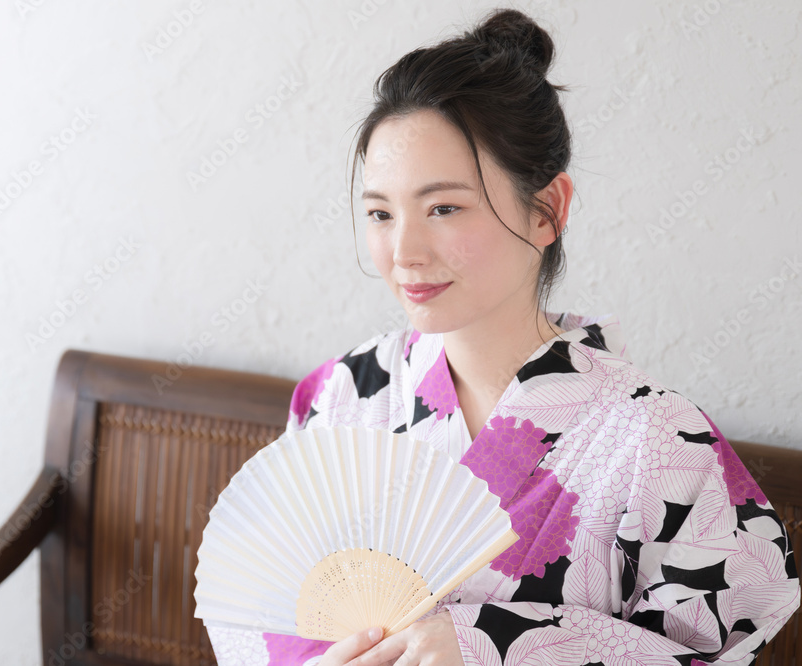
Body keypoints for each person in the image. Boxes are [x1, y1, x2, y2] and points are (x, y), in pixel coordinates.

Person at [204, 7, 800, 665]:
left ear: (547, 210)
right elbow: (263, 611)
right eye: (380, 213)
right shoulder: (341, 396)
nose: (403, 252)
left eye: (443, 208)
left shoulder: (659, 441)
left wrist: (494, 645)